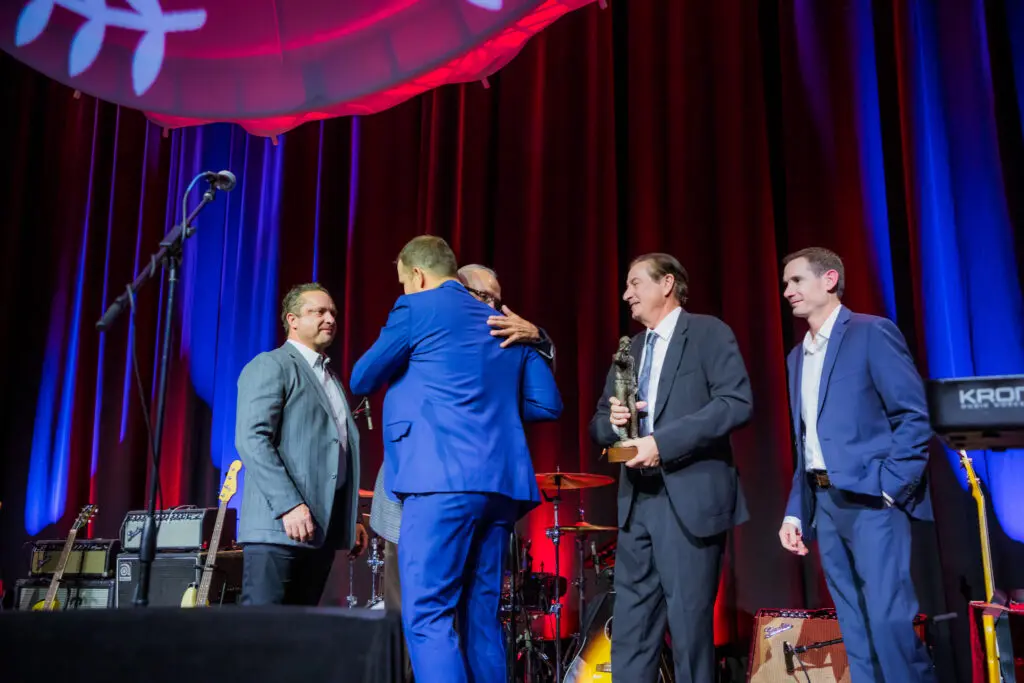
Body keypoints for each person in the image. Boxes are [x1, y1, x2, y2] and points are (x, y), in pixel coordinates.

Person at [351, 237, 562, 683]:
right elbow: (546, 407)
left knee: (427, 615)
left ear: (418, 277)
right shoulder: (511, 328)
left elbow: (362, 376)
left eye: (404, 281)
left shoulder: (417, 309)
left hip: (439, 482)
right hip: (500, 488)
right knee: (481, 618)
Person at [588, 253, 752, 683]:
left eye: (635, 283)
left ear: (666, 285)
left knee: (690, 631)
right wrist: (614, 422)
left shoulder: (708, 333)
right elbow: (599, 422)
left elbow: (735, 404)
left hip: (689, 501)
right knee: (631, 631)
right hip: (637, 501)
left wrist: (661, 443)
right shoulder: (631, 349)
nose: (627, 294)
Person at [777, 247, 935, 683]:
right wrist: (796, 509)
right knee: (854, 628)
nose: (787, 290)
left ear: (829, 280)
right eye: (786, 283)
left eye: (796, 281)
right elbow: (806, 444)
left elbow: (913, 416)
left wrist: (890, 487)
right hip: (825, 504)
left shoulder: (871, 333)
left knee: (889, 624)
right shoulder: (797, 358)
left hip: (872, 503)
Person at [234, 283, 368, 606]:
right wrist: (289, 505)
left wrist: (354, 519)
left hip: (318, 531)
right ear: (292, 320)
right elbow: (251, 438)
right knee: (262, 637)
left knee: (299, 638)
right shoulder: (272, 364)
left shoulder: (331, 378)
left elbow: (334, 452)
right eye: (318, 311)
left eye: (333, 313)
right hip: (277, 528)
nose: (330, 319)